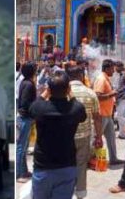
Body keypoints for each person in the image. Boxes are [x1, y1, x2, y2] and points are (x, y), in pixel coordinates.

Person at [29, 71, 87, 199]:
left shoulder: (41, 109)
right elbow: (81, 111)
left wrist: (46, 92)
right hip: (66, 166)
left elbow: (33, 108)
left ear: (49, 89)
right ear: (68, 89)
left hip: (43, 166)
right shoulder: (74, 109)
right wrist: (70, 93)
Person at [67, 65, 103, 199]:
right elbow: (97, 117)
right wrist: (99, 136)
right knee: (81, 164)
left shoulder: (62, 92)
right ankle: (80, 193)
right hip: (84, 136)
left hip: (65, 136)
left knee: (66, 163)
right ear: (81, 76)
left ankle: (67, 191)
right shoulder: (90, 93)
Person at [94, 59, 123, 164]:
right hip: (101, 115)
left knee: (111, 138)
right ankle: (92, 159)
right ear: (106, 68)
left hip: (108, 114)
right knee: (97, 138)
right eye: (112, 69)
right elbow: (97, 96)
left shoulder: (105, 78)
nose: (113, 71)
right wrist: (112, 94)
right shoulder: (101, 79)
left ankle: (113, 158)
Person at [16, 62, 37, 183]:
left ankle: (24, 171)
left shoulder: (25, 82)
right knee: (21, 147)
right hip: (25, 119)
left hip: (25, 118)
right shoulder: (28, 84)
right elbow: (25, 103)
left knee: (24, 147)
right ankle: (19, 174)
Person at [114, 61, 125, 139]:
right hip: (119, 97)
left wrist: (117, 91)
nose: (115, 69)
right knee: (120, 116)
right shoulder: (121, 74)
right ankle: (122, 134)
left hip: (123, 98)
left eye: (115, 67)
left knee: (121, 116)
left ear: (119, 66)